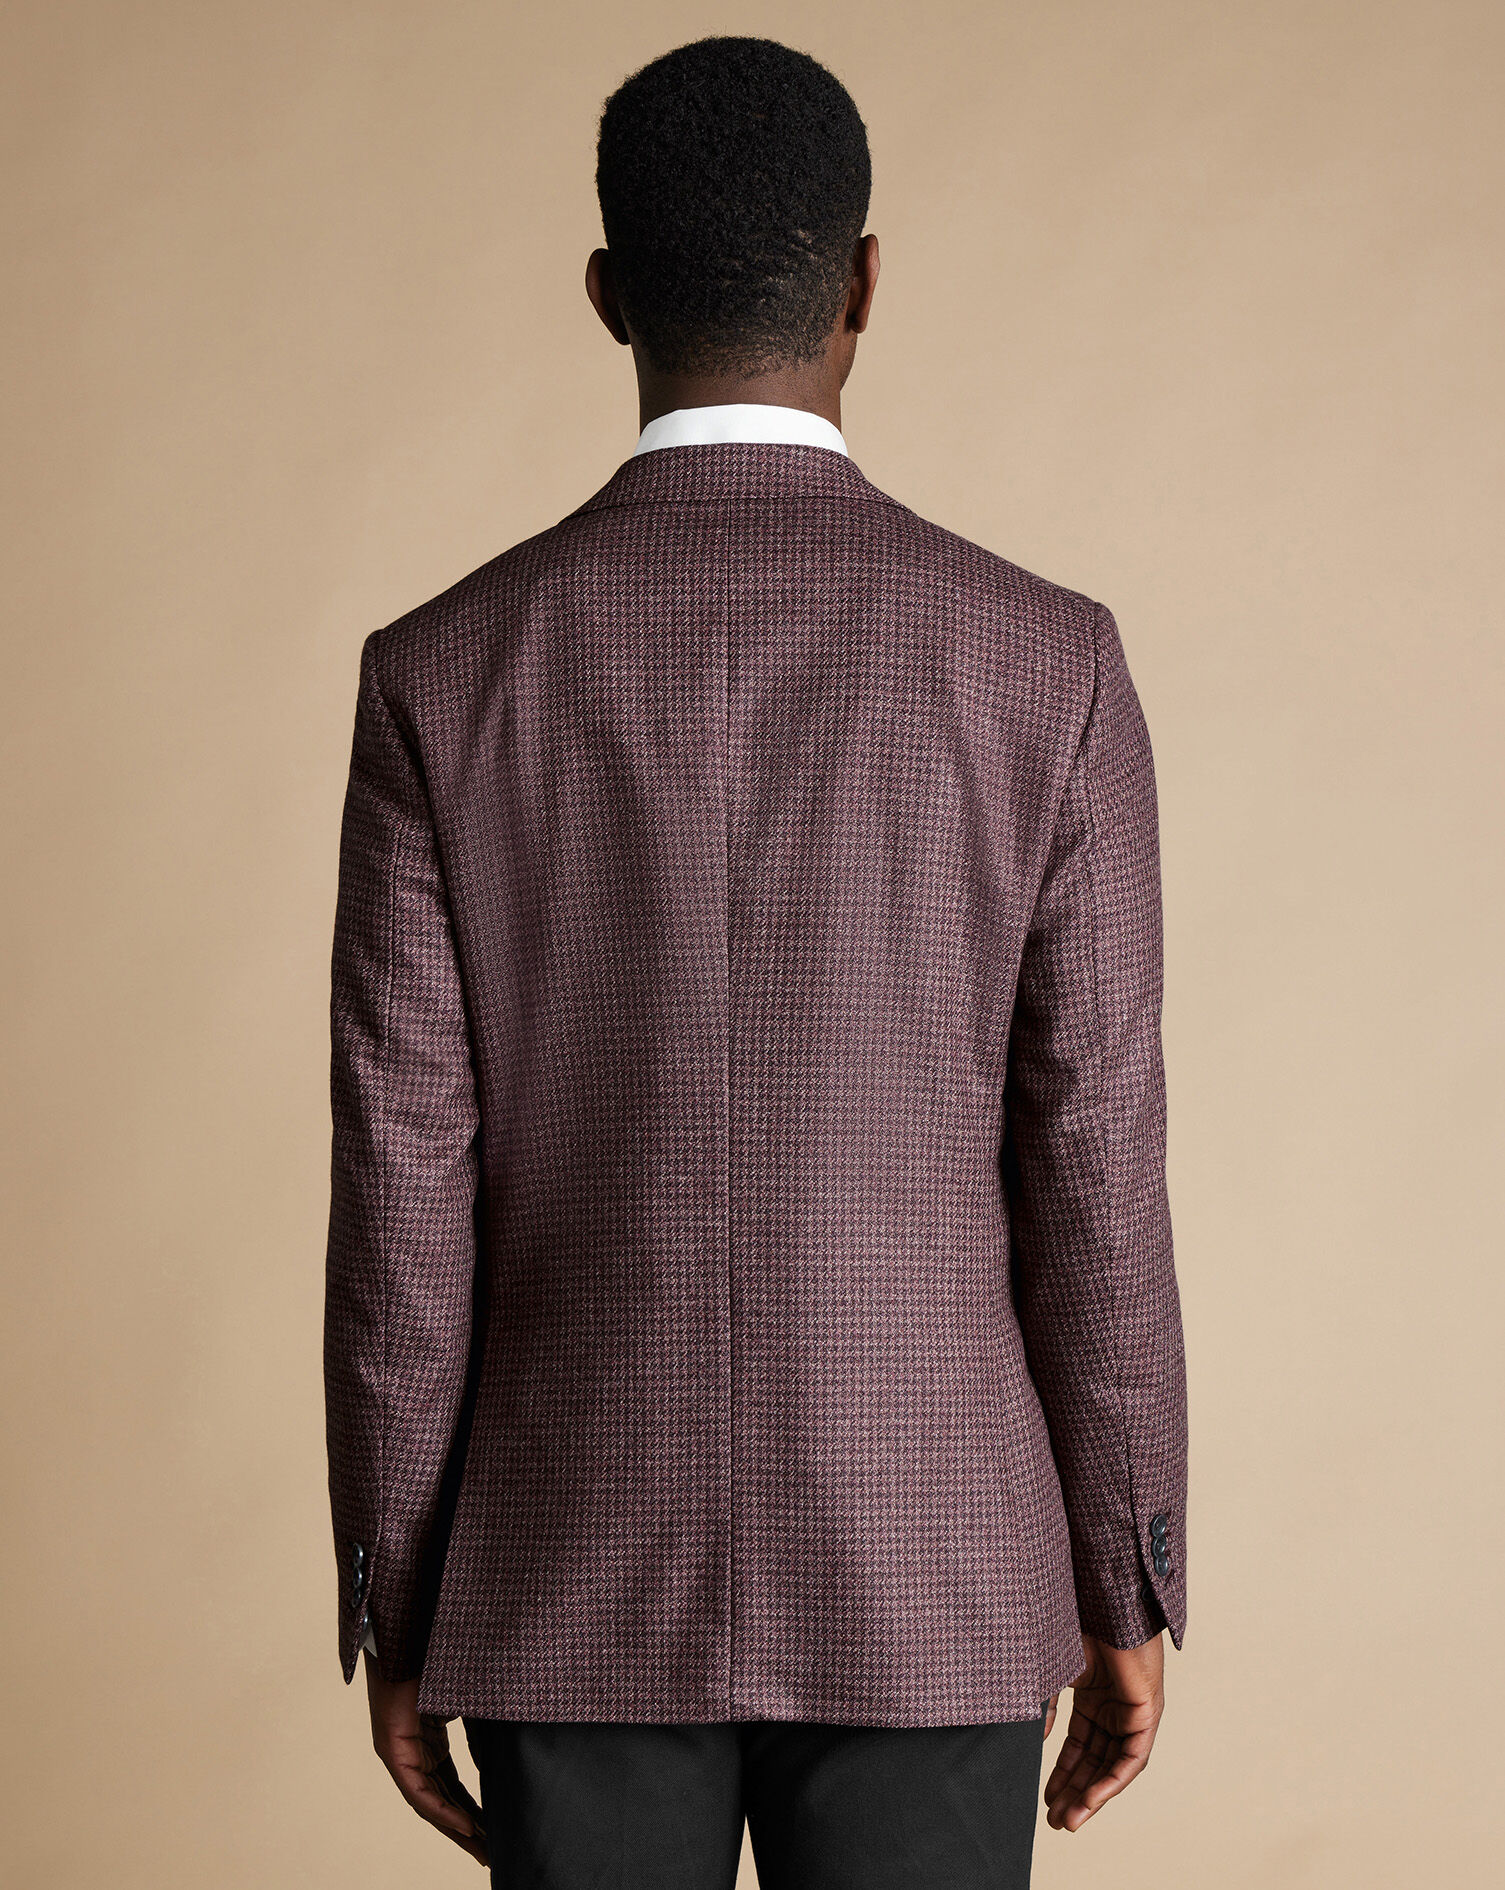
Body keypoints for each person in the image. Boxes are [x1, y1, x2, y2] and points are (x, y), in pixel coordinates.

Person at [323, 33, 1189, 1889]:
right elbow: (1093, 1168)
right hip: (934, 1573)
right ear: (863, 280)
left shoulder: (441, 673)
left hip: (563, 1573)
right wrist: (1125, 1569)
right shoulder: (1045, 664)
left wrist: (401, 1591)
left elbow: (401, 1193)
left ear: (607, 294)